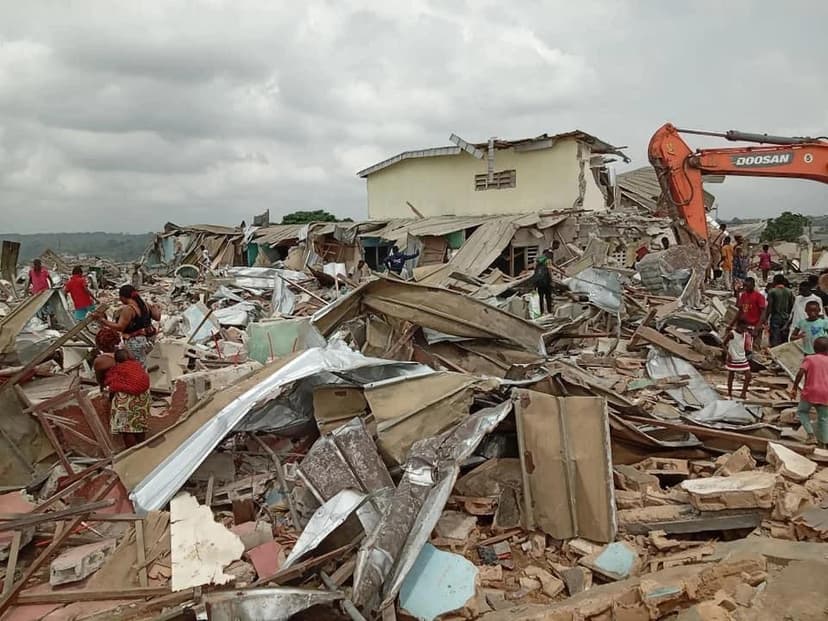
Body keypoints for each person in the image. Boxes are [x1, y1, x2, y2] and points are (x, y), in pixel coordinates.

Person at [94, 329, 151, 449]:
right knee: (139, 425)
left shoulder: (100, 361)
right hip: (142, 394)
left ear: (98, 344)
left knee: (126, 429)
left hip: (124, 398)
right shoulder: (126, 353)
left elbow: (100, 381)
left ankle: (133, 455)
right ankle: (143, 450)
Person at [94, 285, 159, 366]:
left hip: (135, 342)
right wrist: (155, 307)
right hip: (147, 339)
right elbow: (157, 317)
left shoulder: (129, 309)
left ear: (123, 297)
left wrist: (102, 320)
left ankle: (141, 377)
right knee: (142, 362)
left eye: (120, 297)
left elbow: (120, 327)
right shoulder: (145, 304)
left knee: (137, 366)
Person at [790, 336, 828, 447]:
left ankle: (811, 435)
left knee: (802, 412)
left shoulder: (810, 359)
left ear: (814, 348)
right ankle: (825, 443)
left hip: (810, 391)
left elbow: (800, 372)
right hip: (826, 393)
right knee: (824, 418)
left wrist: (794, 387)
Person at [731, 277, 766, 345]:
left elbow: (763, 314)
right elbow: (740, 311)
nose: (745, 288)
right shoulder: (744, 295)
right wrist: (732, 324)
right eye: (744, 285)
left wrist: (756, 329)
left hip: (753, 326)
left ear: (753, 286)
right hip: (744, 326)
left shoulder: (759, 296)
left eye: (747, 286)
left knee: (751, 348)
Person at [723, 321, 752, 399]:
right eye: (742, 328)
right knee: (731, 374)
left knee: (748, 375)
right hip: (733, 357)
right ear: (737, 326)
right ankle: (729, 393)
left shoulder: (745, 334)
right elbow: (723, 344)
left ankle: (743, 393)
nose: (743, 330)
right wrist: (728, 354)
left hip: (741, 356)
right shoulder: (732, 334)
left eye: (745, 328)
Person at [764, 274, 794, 347]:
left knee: (775, 338)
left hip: (776, 317)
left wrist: (766, 318)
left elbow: (769, 307)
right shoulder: (789, 291)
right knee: (784, 338)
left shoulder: (772, 292)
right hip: (786, 318)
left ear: (775, 281)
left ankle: (775, 355)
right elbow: (792, 306)